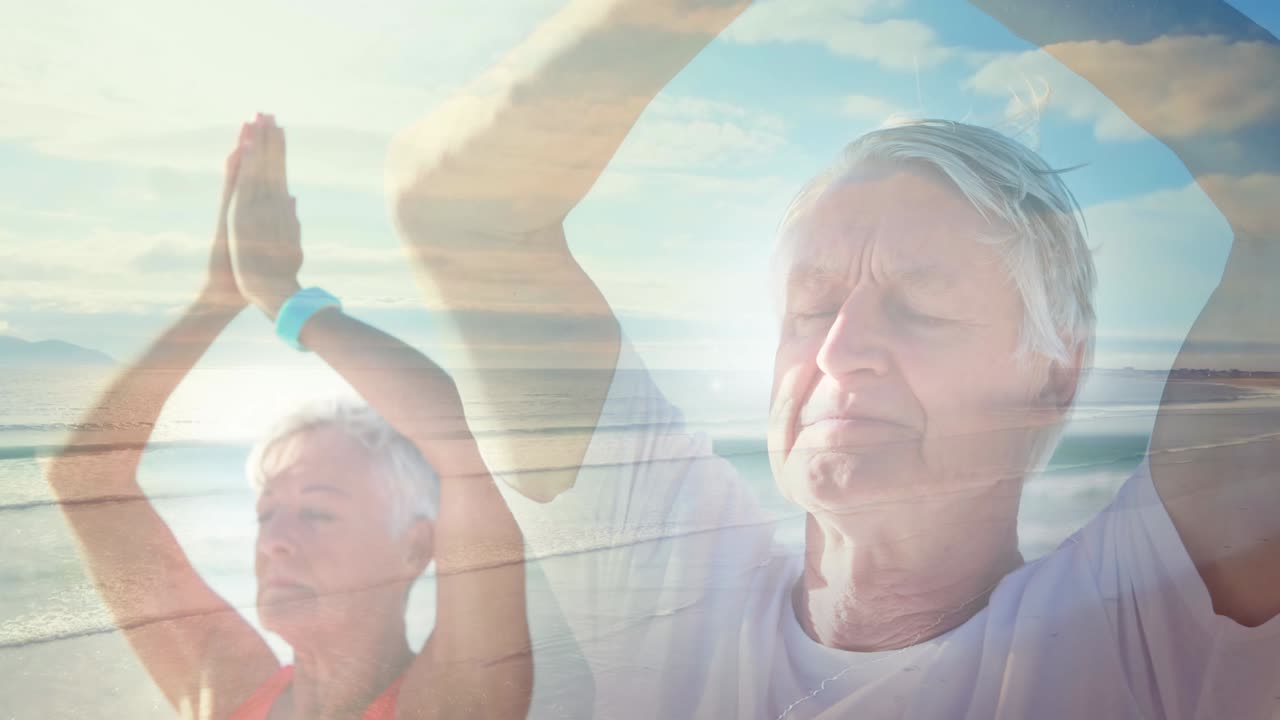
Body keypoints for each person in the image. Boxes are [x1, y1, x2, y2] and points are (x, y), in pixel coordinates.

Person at [386, 0, 1280, 717]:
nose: (840, 351)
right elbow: (467, 216)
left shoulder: (1145, 626)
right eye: (810, 306)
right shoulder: (674, 603)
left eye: (922, 307)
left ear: (1055, 375)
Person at [43, 115, 532, 720]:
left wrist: (280, 295)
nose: (274, 542)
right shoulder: (227, 691)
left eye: (318, 513)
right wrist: (216, 300)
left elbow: (452, 443)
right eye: (266, 514)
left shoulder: (455, 701)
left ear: (415, 547)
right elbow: (85, 481)